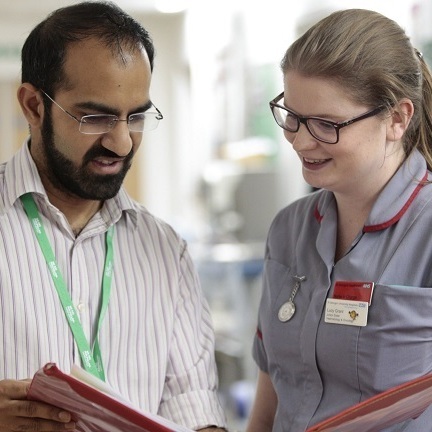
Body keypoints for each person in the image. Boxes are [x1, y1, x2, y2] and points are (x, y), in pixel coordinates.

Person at [0, 2, 227, 431]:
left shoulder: (166, 252)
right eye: (96, 117)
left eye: (136, 116)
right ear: (33, 106)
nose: (122, 144)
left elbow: (196, 410)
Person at [246, 8, 432, 432]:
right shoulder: (288, 230)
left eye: (327, 124)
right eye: (291, 116)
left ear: (398, 119)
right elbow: (272, 384)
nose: (301, 140)